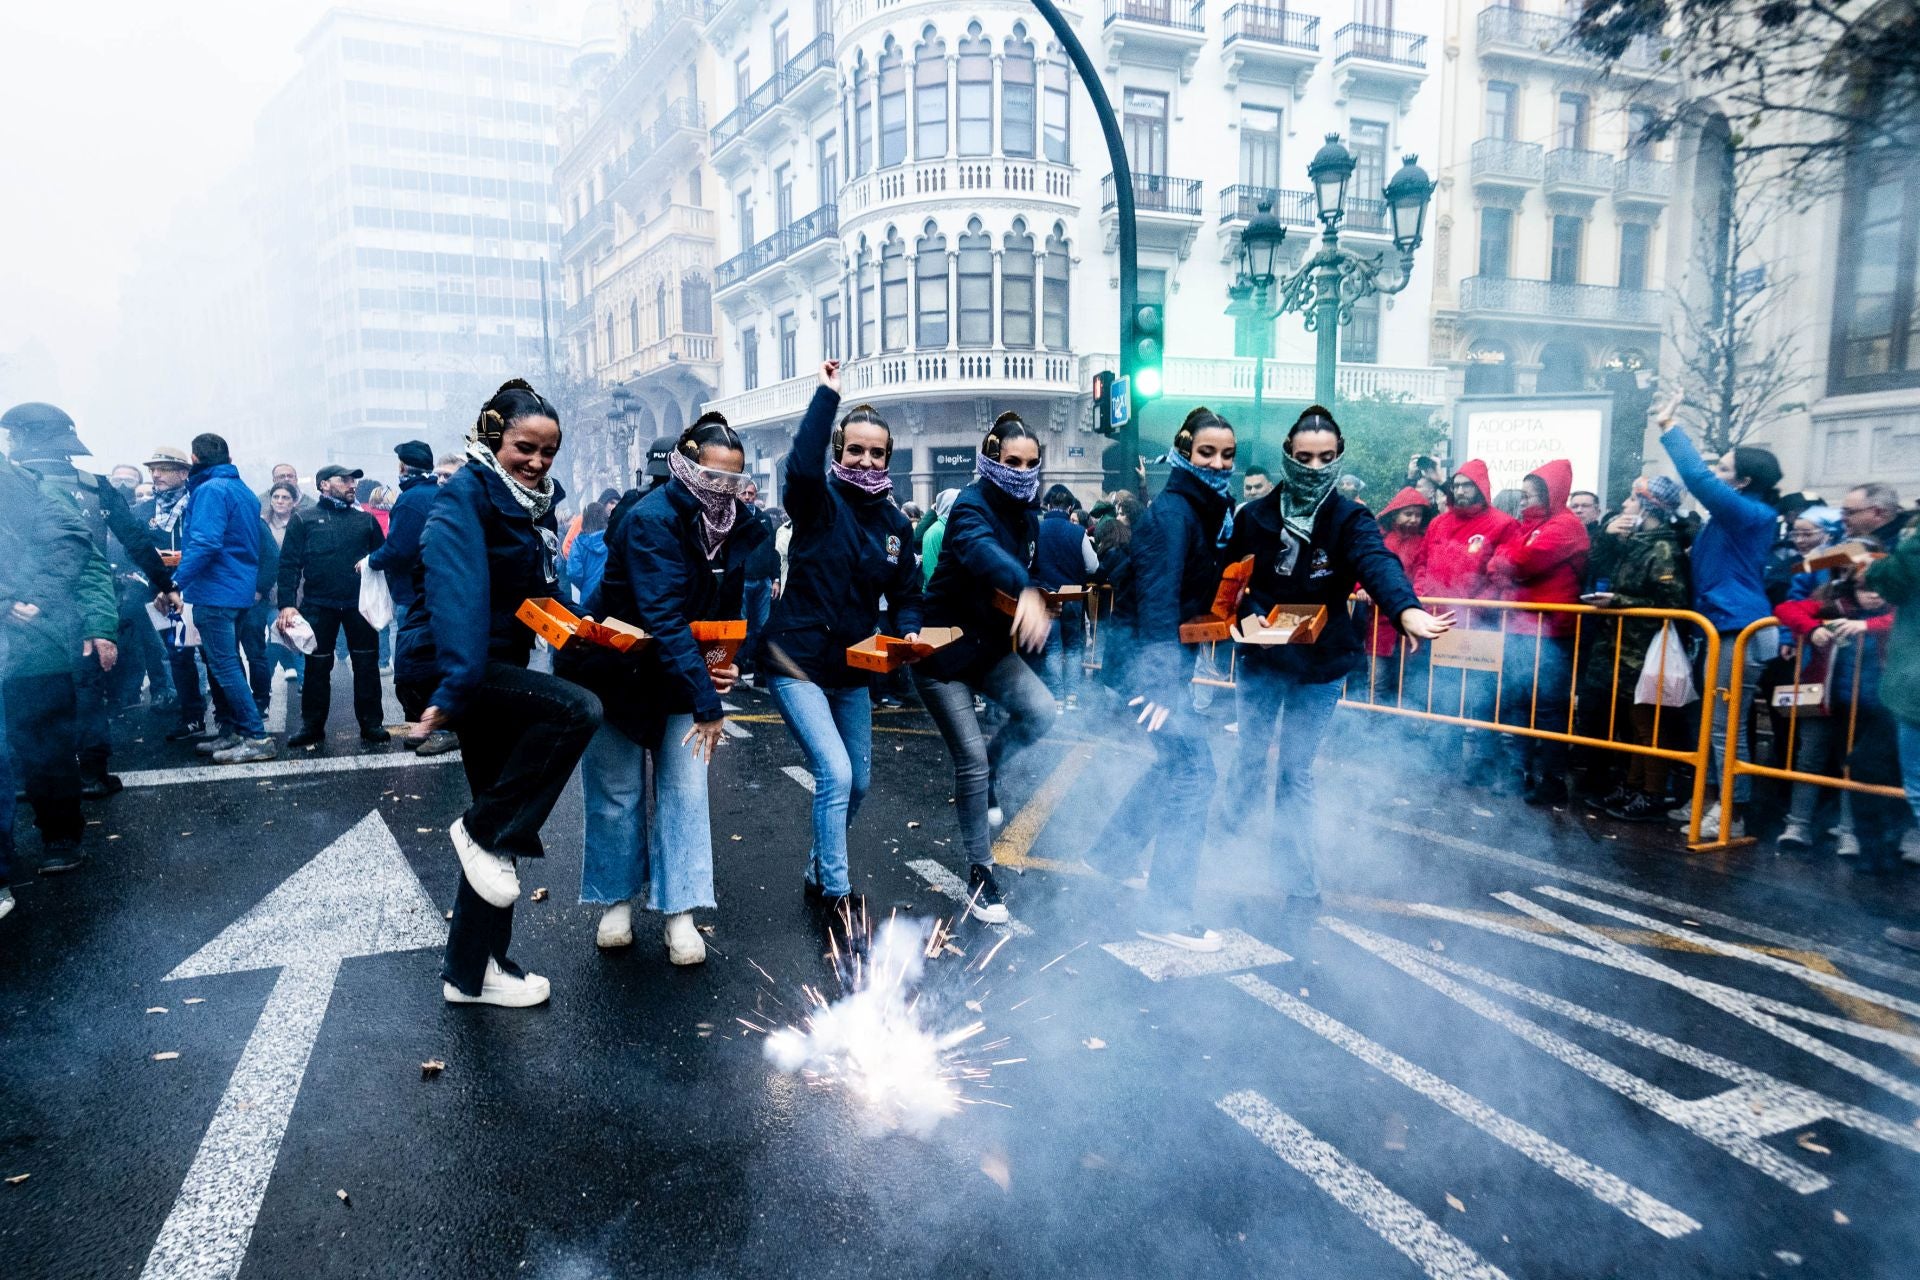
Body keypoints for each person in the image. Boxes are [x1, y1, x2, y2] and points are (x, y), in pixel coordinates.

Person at [396, 379, 602, 1007]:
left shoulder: (532, 504)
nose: (537, 462)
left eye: (548, 452)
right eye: (524, 447)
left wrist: (588, 629)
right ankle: (480, 830)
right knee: (575, 711)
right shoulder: (464, 495)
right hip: (453, 663)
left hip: (490, 662)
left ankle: (473, 971)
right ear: (492, 436)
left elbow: (539, 595)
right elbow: (456, 593)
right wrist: (456, 687)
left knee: (496, 846)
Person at [1223, 406, 1454, 899]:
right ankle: (1225, 855)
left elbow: (1377, 561)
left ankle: (1298, 882)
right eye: (1304, 457)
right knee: (1248, 758)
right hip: (1262, 659)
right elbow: (1231, 583)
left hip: (1321, 663)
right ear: (1288, 455)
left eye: (1326, 458)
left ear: (1338, 458)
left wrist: (1405, 609)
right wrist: (1241, 620)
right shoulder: (1254, 516)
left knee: (1294, 771)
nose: (1314, 467)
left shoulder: (1349, 518)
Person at [565, 411, 755, 964]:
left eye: (732, 478)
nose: (722, 489)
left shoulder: (736, 522)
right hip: (615, 671)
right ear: (685, 466)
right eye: (712, 476)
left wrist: (723, 665)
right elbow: (664, 615)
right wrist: (708, 701)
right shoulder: (649, 518)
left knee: (686, 793)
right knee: (616, 794)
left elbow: (726, 613)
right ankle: (616, 900)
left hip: (680, 673)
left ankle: (681, 911)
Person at [761, 362, 923, 928]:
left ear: (890, 458)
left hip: (854, 668)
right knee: (836, 772)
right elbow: (801, 465)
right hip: (795, 659)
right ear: (840, 451)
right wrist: (826, 397)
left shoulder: (897, 527)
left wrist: (907, 633)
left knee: (860, 781)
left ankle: (816, 869)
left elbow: (907, 593)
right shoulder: (817, 501)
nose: (867, 462)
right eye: (855, 450)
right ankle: (836, 892)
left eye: (878, 453)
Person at [1090, 408, 1238, 950]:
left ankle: (1112, 854)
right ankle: (1166, 911)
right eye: (1206, 453)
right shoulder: (1177, 513)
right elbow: (1155, 600)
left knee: (1178, 765)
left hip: (1151, 661)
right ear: (1183, 451)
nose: (1218, 463)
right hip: (1148, 665)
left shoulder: (1202, 509)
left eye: (1226, 454)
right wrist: (1160, 684)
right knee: (1193, 775)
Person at [915, 412, 1058, 923]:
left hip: (992, 649)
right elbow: (981, 553)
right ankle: (980, 872)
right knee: (969, 761)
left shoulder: (1029, 515)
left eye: (1030, 463)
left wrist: (1046, 596)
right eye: (1010, 461)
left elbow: (1030, 570)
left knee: (1043, 713)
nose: (1020, 471)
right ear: (990, 459)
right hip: (943, 652)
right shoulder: (970, 505)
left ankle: (996, 767)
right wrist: (1023, 584)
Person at [2, 402, 176, 797]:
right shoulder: (95, 485)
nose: (9, 442)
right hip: (87, 603)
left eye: (14, 434)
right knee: (88, 691)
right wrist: (165, 585)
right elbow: (135, 540)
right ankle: (93, 773)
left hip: (26, 608)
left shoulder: (15, 484)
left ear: (28, 436)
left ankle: (34, 779)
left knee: (30, 699)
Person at [1658, 398, 1783, 839]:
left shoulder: (1750, 512)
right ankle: (1709, 799)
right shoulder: (1731, 517)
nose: (1717, 474)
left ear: (1745, 481)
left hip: (1738, 628)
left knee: (1726, 727)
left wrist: (1670, 426)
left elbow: (1696, 478)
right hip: (1717, 624)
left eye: (1725, 469)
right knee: (1710, 721)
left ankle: (1732, 809)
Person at [1, 449, 114, 877]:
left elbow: (84, 562)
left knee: (47, 746)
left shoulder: (38, 490)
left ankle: (60, 835)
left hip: (38, 643)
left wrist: (101, 625)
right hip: (26, 638)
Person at [1583, 478, 1693, 822]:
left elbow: (1672, 601)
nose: (1626, 504)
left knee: (1649, 724)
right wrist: (1608, 537)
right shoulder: (1632, 542)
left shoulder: (1662, 548)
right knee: (1633, 724)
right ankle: (1633, 785)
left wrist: (1619, 601)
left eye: (1633, 498)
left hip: (1644, 648)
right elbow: (1596, 563)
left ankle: (1653, 792)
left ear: (1649, 506)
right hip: (1622, 646)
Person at [1487, 459, 1590, 805]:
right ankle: (1519, 773)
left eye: (1531, 496)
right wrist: (1509, 564)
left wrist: (1510, 565)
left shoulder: (1566, 526)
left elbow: (1521, 562)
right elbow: (1499, 560)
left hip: (1551, 632)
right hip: (1520, 626)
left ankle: (1551, 779)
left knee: (1547, 708)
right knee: (1516, 703)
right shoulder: (1527, 527)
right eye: (1524, 496)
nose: (1524, 502)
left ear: (1550, 494)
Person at [170, 434, 276, 763]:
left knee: (225, 666)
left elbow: (205, 543)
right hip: (238, 590)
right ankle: (234, 732)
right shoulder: (242, 490)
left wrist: (174, 581)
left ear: (194, 458)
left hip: (215, 591)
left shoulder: (209, 490)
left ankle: (256, 738)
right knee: (226, 665)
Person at [277, 464, 388, 750]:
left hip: (358, 606)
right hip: (318, 604)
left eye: (354, 480)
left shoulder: (365, 521)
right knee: (316, 668)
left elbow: (383, 558)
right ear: (324, 485)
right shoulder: (304, 519)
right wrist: (287, 605)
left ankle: (371, 724)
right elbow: (289, 564)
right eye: (345, 480)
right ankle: (312, 727)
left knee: (366, 665)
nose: (352, 485)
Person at [1415, 459, 1517, 766]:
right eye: (1456, 485)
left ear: (1480, 488)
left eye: (1466, 485)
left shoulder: (1502, 524)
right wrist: (1421, 594)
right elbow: (1422, 563)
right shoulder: (1438, 523)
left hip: (1479, 624)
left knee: (1482, 696)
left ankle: (1485, 763)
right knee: (1444, 691)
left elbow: (1503, 574)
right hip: (1439, 619)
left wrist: (1475, 608)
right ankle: (1443, 756)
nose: (1460, 491)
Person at [1034, 483, 1098, 708]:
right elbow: (1093, 565)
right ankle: (1072, 696)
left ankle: (1057, 698)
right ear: (1070, 507)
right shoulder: (1078, 532)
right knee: (1072, 646)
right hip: (1072, 595)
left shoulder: (1037, 529)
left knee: (1051, 647)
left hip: (1046, 596)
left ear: (1048, 505)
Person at [739, 480, 781, 684]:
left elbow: (773, 551)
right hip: (743, 582)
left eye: (751, 493)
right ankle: (739, 667)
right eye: (744, 493)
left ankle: (758, 669)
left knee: (762, 627)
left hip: (763, 581)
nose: (748, 497)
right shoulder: (734, 516)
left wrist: (776, 579)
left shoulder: (764, 519)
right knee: (741, 627)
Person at [565, 499, 612, 607]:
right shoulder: (613, 539)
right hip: (611, 596)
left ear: (585, 519)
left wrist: (583, 586)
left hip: (587, 597)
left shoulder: (578, 542)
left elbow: (574, 573)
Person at [1842, 483, 1907, 547]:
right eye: (1843, 512)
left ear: (1877, 513)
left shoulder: (1904, 549)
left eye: (1850, 512)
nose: (1843, 518)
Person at [919, 488, 960, 587]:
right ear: (949, 506)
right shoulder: (934, 532)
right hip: (939, 597)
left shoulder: (957, 528)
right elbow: (931, 574)